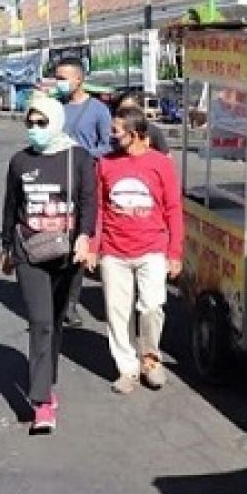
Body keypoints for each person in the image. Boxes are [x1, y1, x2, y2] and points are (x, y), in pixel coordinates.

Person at [0, 94, 95, 433]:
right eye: (30, 123)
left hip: (68, 255)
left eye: (42, 123)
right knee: (40, 322)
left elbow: (88, 203)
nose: (35, 129)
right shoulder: (20, 161)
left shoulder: (79, 158)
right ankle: (42, 402)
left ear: (55, 122)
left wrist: (86, 237)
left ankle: (47, 376)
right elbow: (11, 207)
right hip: (29, 252)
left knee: (55, 323)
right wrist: (6, 246)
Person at [85, 105, 183, 395]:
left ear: (136, 133)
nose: (111, 136)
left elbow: (173, 208)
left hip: (152, 249)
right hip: (114, 252)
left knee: (152, 306)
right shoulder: (104, 164)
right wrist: (93, 246)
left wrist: (175, 253)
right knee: (118, 313)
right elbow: (98, 209)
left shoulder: (160, 164)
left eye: (116, 131)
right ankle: (127, 368)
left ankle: (151, 360)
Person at [53, 56, 112, 329]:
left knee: (79, 240)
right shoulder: (55, 108)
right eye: (57, 78)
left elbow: (107, 145)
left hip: (84, 182)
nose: (60, 83)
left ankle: (70, 303)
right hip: (55, 181)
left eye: (64, 78)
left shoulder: (98, 110)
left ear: (79, 79)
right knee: (54, 239)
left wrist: (82, 155)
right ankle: (53, 297)